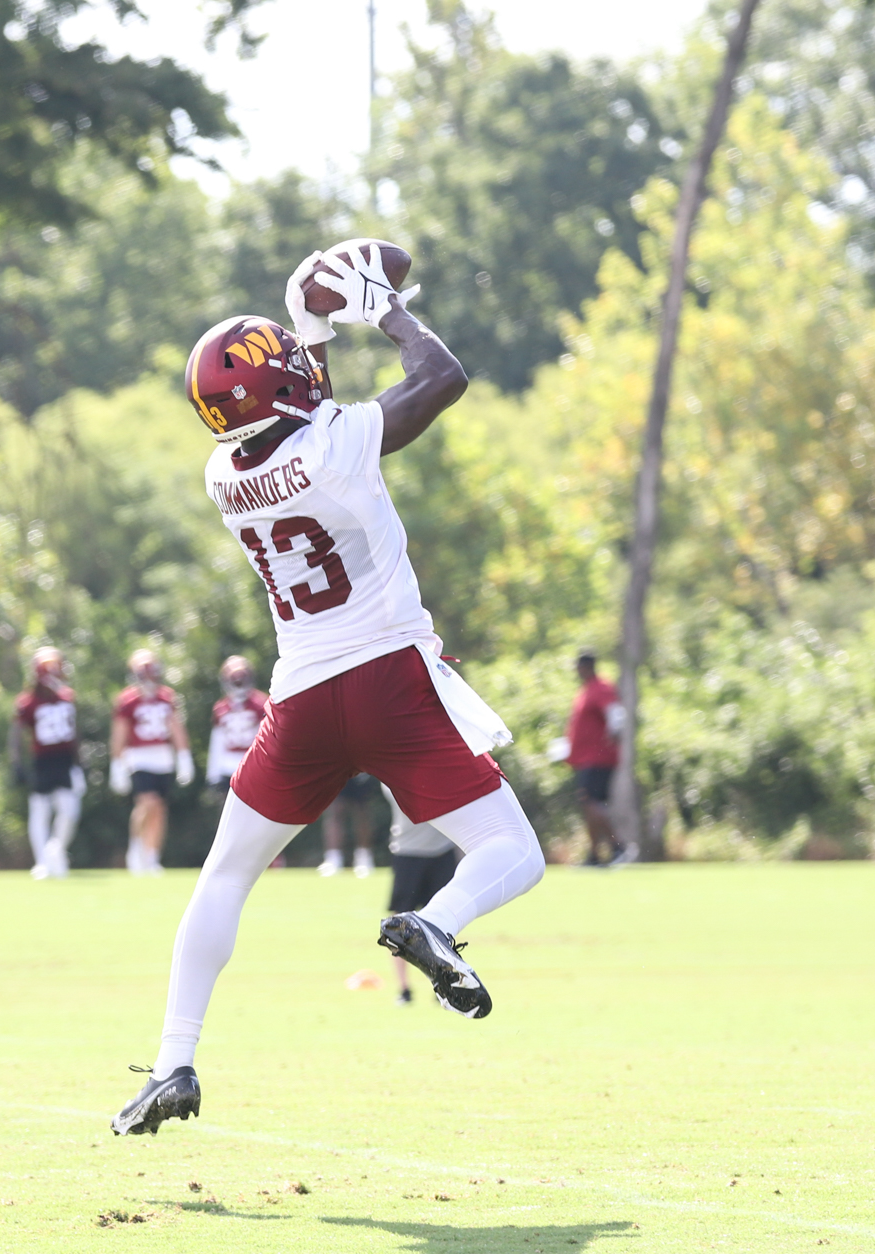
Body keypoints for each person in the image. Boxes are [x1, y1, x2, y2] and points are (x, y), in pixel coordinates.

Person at [112, 243, 545, 1136]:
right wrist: (383, 308)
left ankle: (173, 1062)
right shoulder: (338, 445)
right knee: (511, 849)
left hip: (303, 699)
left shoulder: (224, 476)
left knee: (225, 876)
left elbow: (301, 410)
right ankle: (437, 922)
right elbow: (442, 377)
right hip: (389, 681)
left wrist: (307, 330)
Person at [109, 649, 195, 875]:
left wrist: (184, 756)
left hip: (162, 757)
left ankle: (152, 856)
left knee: (159, 808)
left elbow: (175, 728)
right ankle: (136, 848)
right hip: (138, 756)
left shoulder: (167, 697)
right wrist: (117, 764)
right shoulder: (127, 700)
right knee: (147, 802)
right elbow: (120, 733)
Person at [8, 646, 86, 879]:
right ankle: (42, 862)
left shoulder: (67, 696)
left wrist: (80, 762)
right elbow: (16, 733)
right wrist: (16, 763)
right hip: (42, 761)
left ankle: (55, 850)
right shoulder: (27, 701)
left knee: (70, 811)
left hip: (64, 760)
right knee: (40, 810)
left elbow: (74, 731)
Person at [380, 783, 457, 1005]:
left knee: (444, 922)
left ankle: (443, 984)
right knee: (399, 925)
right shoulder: (392, 779)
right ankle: (404, 988)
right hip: (408, 853)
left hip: (442, 853)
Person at [559, 649, 630, 867]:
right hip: (585, 758)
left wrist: (613, 736)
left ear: (586, 667)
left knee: (592, 803)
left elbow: (616, 714)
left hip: (598, 757)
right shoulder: (586, 690)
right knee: (589, 804)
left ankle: (618, 847)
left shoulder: (601, 687)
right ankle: (594, 855)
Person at [205, 655, 267, 794]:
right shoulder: (221, 708)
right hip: (228, 767)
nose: (238, 681)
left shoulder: (261, 704)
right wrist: (213, 774)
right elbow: (217, 741)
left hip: (253, 766)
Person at [318, 775, 376, 877]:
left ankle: (364, 858)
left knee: (361, 812)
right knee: (335, 811)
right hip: (336, 770)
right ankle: (333, 858)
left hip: (361, 771)